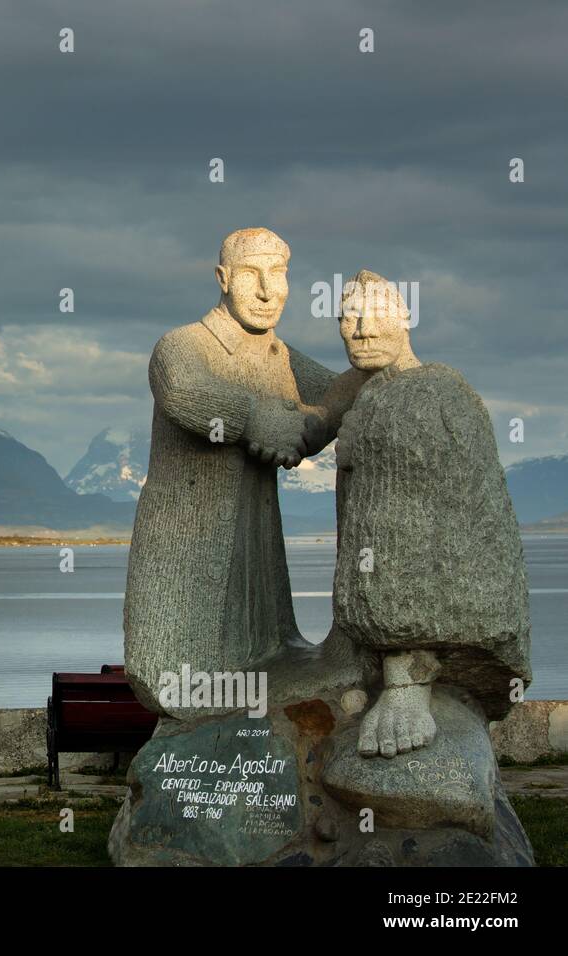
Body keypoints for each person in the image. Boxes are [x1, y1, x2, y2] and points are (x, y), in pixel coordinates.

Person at [124, 228, 336, 716]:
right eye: (249, 275)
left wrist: (304, 430)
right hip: (187, 554)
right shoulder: (185, 345)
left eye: (278, 275)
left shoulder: (280, 356)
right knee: (184, 676)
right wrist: (258, 421)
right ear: (222, 279)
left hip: (253, 550)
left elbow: (339, 396)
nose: (265, 290)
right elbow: (184, 393)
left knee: (257, 662)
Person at [326, 271, 532, 758]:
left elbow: (421, 519)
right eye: (349, 318)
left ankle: (408, 678)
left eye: (377, 316)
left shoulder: (431, 394)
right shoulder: (372, 394)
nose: (362, 331)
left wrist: (368, 438)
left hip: (449, 594)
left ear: (406, 320)